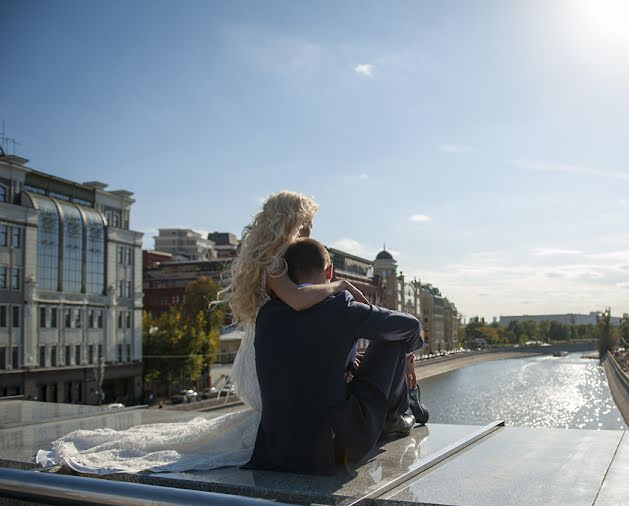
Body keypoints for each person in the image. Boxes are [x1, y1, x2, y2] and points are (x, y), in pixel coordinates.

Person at [36, 191, 367, 474]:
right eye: (305, 223)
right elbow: (297, 300)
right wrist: (341, 284)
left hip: (270, 354)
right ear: (288, 222)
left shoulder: (278, 258)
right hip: (266, 363)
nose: (310, 230)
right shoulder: (274, 262)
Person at [243, 238, 426, 474]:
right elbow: (411, 326)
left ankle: (398, 412)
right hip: (333, 450)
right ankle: (395, 417)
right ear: (330, 271)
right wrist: (407, 358)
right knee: (392, 340)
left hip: (276, 452)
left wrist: (347, 362)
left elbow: (307, 355)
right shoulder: (341, 307)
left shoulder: (267, 315)